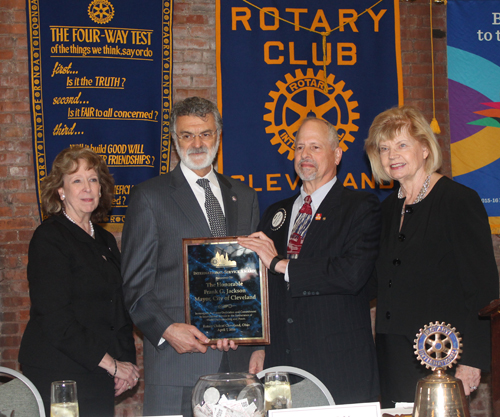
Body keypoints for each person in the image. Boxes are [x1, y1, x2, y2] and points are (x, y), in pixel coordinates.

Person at [121, 97, 264, 416]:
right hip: (178, 365)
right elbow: (134, 290)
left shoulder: (245, 196)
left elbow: (252, 278)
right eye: (187, 135)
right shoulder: (149, 197)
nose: (197, 143)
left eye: (206, 134)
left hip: (237, 365)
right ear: (175, 140)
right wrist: (168, 330)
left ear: (218, 136)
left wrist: (253, 341)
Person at [238, 117, 381, 404]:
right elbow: (263, 288)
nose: (305, 155)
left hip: (339, 365)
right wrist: (259, 344)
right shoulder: (275, 213)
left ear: (337, 155)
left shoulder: (361, 207)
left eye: (315, 147)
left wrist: (281, 264)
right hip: (280, 367)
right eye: (299, 147)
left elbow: (351, 274)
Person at [364, 105, 499, 407]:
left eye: (401, 145)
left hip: (443, 353)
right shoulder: (385, 211)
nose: (392, 156)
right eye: (384, 149)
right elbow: (375, 281)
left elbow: (483, 289)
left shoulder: (458, 201)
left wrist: (472, 361)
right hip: (392, 356)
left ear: (424, 148)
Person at [19, 146, 139, 417]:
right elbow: (54, 318)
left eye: (93, 179)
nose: (87, 188)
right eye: (77, 180)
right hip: (59, 372)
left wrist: (125, 363)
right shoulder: (49, 238)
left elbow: (118, 308)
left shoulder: (105, 241)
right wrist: (113, 365)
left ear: (101, 189)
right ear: (61, 191)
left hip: (99, 370)